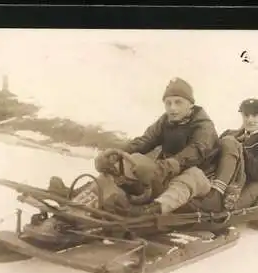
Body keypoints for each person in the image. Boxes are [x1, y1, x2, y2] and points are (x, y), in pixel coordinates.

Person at [94, 77, 220, 216]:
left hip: (201, 179)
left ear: (190, 105)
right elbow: (145, 141)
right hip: (168, 172)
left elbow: (196, 151)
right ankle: (90, 194)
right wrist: (115, 154)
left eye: (178, 102)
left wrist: (165, 167)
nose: (172, 108)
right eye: (168, 103)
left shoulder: (204, 126)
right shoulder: (165, 121)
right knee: (133, 159)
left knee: (192, 175)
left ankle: (150, 211)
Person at [184, 98, 258, 213]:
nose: (250, 120)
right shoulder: (230, 133)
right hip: (217, 177)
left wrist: (240, 149)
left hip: (245, 185)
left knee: (229, 142)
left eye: (255, 115)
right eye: (246, 115)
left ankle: (216, 194)